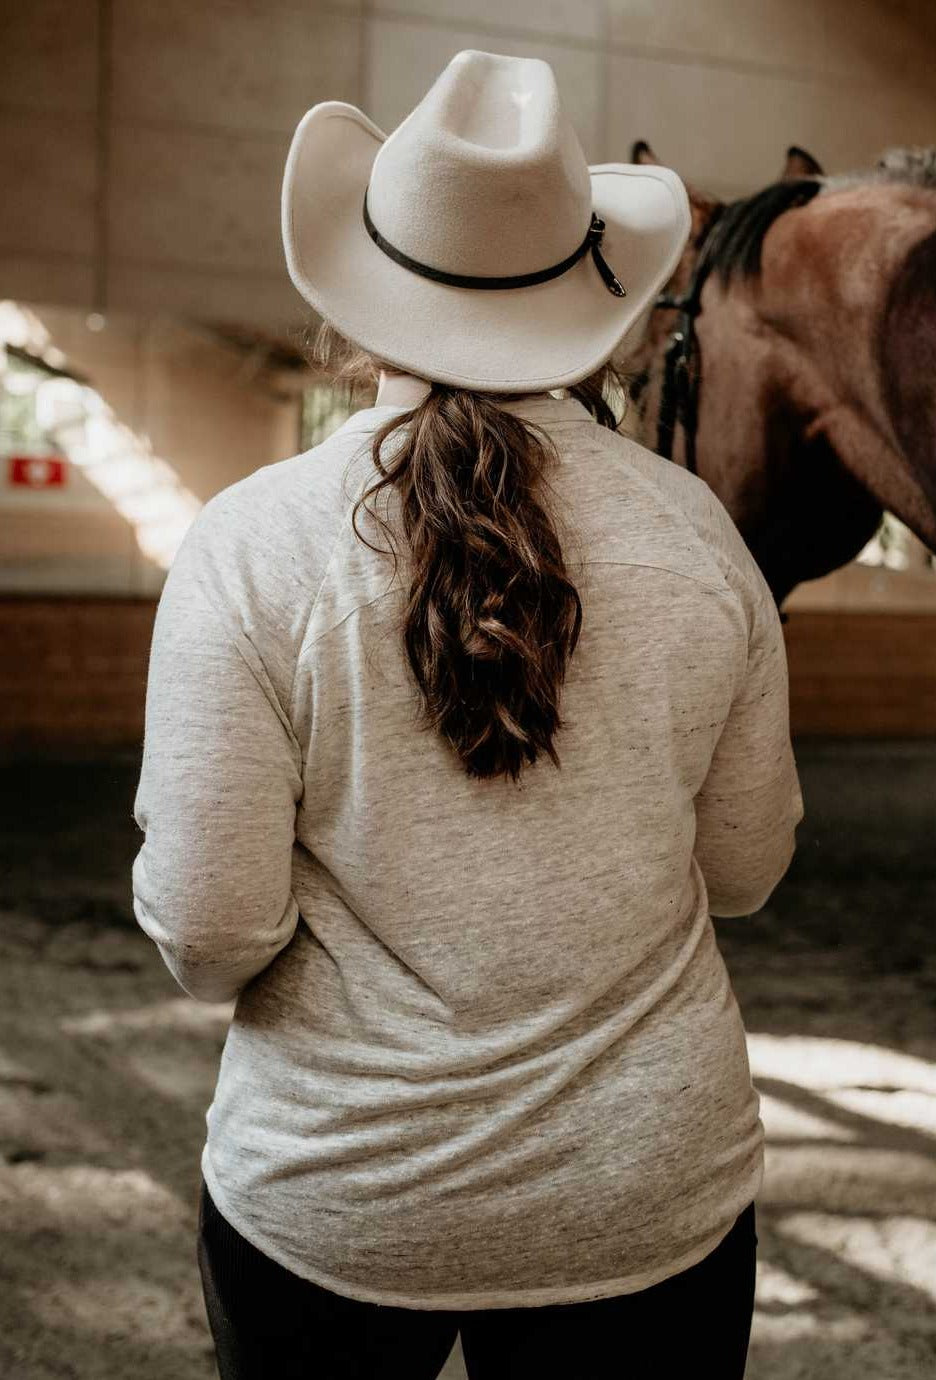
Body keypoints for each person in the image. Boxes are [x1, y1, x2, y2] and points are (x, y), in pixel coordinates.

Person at [132, 48, 804, 1380]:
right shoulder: (697, 537)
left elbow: (208, 933)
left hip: (338, 1196)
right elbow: (744, 872)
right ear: (584, 295)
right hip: (643, 1193)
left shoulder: (251, 546)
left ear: (360, 299)